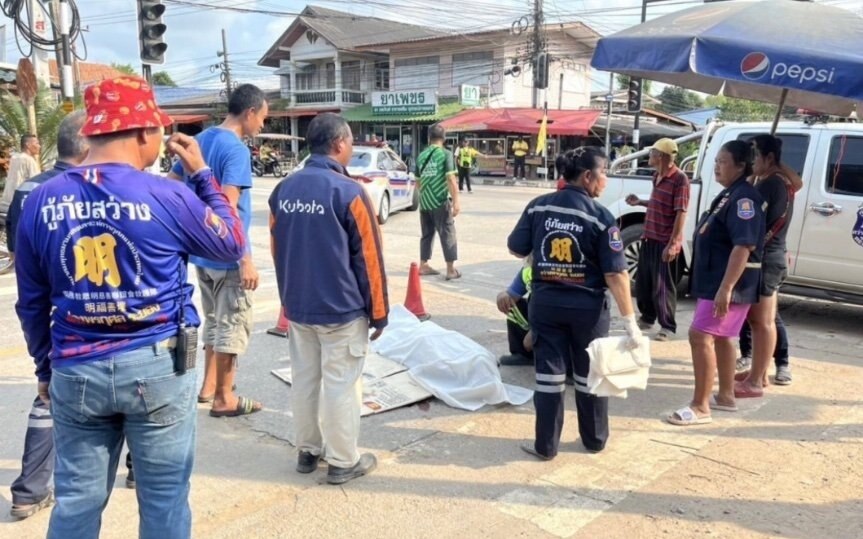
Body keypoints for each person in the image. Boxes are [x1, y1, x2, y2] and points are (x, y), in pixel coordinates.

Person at [14, 76, 246, 538]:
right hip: (156, 365)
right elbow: (231, 244)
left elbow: (32, 302)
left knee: (76, 503)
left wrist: (45, 369)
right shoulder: (167, 194)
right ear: (144, 133)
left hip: (76, 368)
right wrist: (202, 174)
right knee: (163, 501)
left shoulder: (41, 201)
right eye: (158, 131)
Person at [269, 112, 388, 485]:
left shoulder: (284, 189)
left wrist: (289, 298)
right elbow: (370, 259)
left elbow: (277, 250)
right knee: (340, 384)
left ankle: (308, 450)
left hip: (300, 307)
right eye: (351, 142)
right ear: (339, 144)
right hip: (341, 310)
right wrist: (379, 313)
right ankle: (342, 460)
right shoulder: (349, 192)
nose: (351, 148)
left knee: (305, 380)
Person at [507, 147, 642, 459]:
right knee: (591, 376)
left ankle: (546, 446)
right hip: (588, 311)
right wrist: (630, 323)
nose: (605, 180)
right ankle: (594, 440)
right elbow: (617, 273)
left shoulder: (537, 207)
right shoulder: (601, 217)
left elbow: (516, 249)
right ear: (587, 176)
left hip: (546, 307)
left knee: (549, 378)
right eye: (604, 172)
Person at [8, 112, 89, 520]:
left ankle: (29, 489)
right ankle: (134, 472)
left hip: (43, 310)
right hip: (84, 314)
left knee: (46, 398)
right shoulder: (89, 190)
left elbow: (17, 251)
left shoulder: (27, 189)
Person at [169, 83, 268, 417]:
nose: (262, 126)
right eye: (263, 118)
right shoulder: (236, 150)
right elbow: (227, 207)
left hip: (201, 251)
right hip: (227, 254)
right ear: (250, 112)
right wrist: (246, 260)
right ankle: (225, 397)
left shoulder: (203, 139)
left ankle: (208, 387)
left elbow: (172, 184)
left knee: (213, 320)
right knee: (232, 324)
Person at [667, 140, 765, 426]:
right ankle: (725, 396)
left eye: (722, 161)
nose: (717, 166)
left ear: (740, 165)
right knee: (721, 337)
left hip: (727, 284)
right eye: (716, 161)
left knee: (700, 337)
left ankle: (700, 406)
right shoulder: (729, 194)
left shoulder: (744, 199)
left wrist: (726, 288)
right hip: (716, 281)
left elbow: (743, 246)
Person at [735, 135, 802, 395]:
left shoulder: (770, 184)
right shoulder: (779, 181)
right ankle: (758, 374)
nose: (751, 163)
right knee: (762, 320)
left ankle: (757, 379)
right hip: (772, 257)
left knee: (762, 322)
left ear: (769, 158)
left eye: (755, 156)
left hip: (765, 259)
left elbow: (751, 220)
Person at [625, 138, 690, 341]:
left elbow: (681, 213)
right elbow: (658, 203)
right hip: (649, 237)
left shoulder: (680, 179)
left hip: (664, 240)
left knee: (663, 286)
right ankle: (647, 318)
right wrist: (640, 202)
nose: (650, 157)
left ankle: (667, 326)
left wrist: (673, 243)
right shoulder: (657, 176)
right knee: (644, 283)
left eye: (652, 153)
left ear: (661, 156)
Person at [416, 124, 461, 281]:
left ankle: (423, 264)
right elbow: (450, 178)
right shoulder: (445, 154)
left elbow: (418, 182)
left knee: (427, 234)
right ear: (444, 138)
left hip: (424, 202)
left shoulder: (421, 156)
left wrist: (427, 193)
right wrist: (456, 202)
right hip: (440, 201)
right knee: (447, 232)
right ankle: (450, 269)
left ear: (429, 138)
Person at [496, 261, 533, 366]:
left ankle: (569, 367)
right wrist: (503, 295)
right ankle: (523, 355)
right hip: (540, 314)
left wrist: (537, 332)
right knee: (510, 302)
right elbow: (512, 294)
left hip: (560, 319)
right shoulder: (528, 269)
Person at [1, 134, 40, 213]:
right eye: (37, 143)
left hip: (5, 204)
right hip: (19, 206)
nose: (39, 146)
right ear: (28, 145)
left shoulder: (14, 158)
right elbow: (37, 184)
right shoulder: (29, 160)